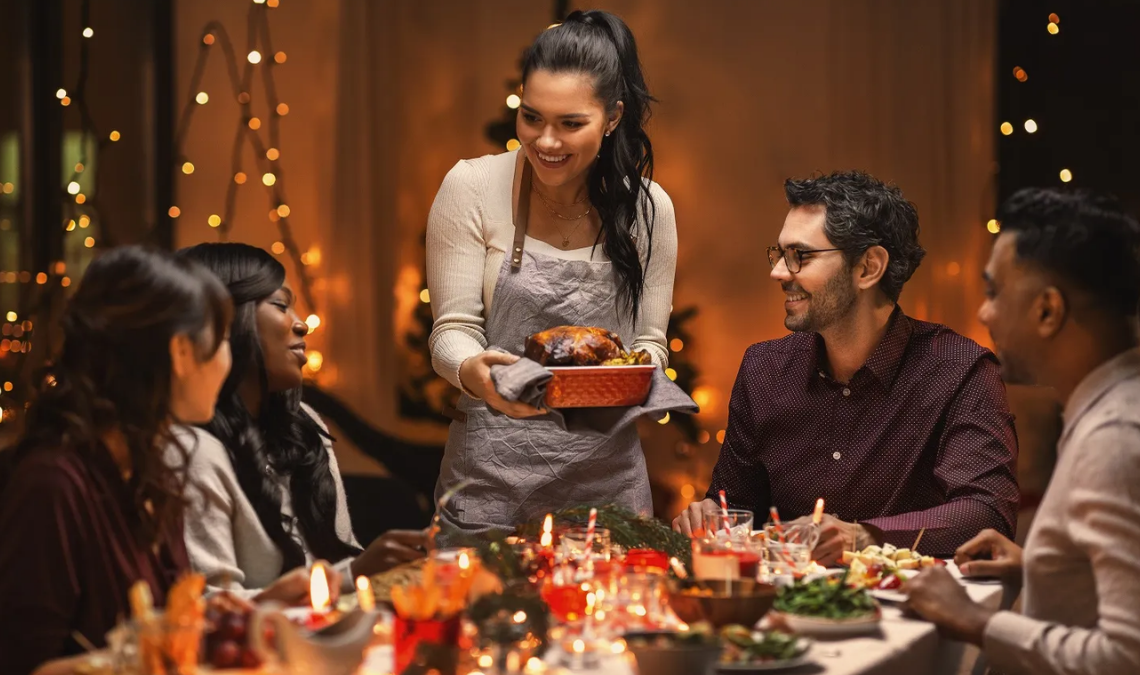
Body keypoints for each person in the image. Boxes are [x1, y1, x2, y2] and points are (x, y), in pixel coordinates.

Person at [674, 171, 1019, 563]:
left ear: (869, 268)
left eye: (800, 256)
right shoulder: (764, 369)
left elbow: (987, 515)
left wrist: (863, 536)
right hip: (786, 608)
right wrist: (711, 516)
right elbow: (734, 509)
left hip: (913, 611)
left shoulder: (959, 371)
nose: (778, 272)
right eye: (780, 254)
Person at [426, 10, 677, 540]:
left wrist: (623, 379)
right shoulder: (471, 186)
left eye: (570, 123)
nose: (546, 141)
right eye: (532, 117)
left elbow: (650, 343)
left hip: (607, 490)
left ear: (612, 118)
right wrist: (473, 371)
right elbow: (451, 329)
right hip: (489, 482)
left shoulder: (649, 209)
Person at [904, 188, 1140, 674]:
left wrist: (975, 622)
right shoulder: (1108, 407)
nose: (985, 313)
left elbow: (1126, 658)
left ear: (1047, 310)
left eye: (993, 292)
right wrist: (1039, 566)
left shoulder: (1114, 438)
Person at [0, 247, 232, 675]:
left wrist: (263, 609)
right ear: (180, 352)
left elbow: (168, 625)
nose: (227, 360)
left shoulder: (150, 470)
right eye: (222, 340)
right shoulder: (53, 485)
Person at [174, 243, 425, 603]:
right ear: (225, 322)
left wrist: (364, 569)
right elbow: (210, 609)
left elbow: (337, 566)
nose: (302, 323)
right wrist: (352, 576)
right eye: (280, 305)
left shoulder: (304, 425)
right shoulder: (192, 451)